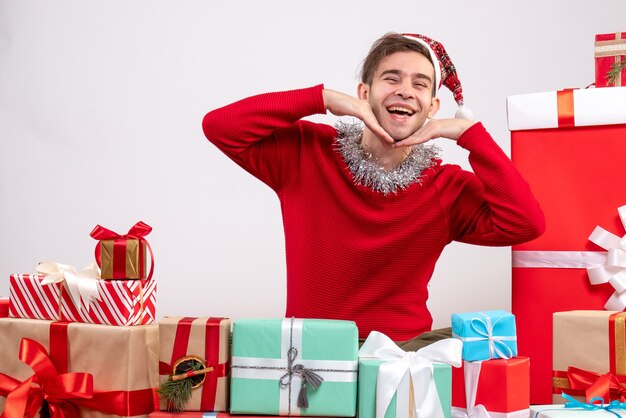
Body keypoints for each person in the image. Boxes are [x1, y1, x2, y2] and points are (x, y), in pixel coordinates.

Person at [202, 32, 544, 349]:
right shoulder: (307, 153)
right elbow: (220, 127)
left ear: (432, 107)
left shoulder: (446, 187)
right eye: (391, 78)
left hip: (402, 356)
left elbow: (526, 223)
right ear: (364, 94)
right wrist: (321, 99)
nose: (405, 90)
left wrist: (469, 134)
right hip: (315, 352)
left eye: (420, 84)